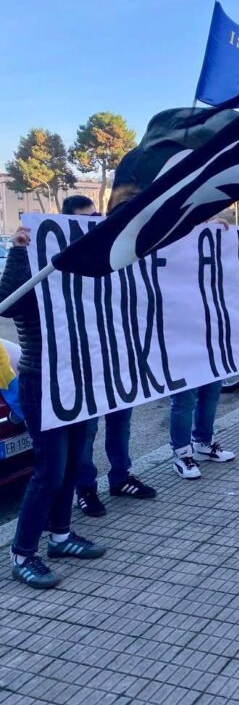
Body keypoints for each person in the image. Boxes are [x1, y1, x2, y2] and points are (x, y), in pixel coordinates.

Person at [1, 225, 105, 589]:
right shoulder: (34, 268)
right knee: (50, 469)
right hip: (41, 382)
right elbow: (7, 303)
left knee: (74, 463)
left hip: (80, 383)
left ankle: (60, 536)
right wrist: (17, 251)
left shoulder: (86, 276)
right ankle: (22, 554)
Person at [60, 197, 157, 516]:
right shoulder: (59, 263)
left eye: (96, 218)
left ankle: (120, 477)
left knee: (121, 422)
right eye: (85, 220)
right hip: (83, 361)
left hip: (119, 356)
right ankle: (85, 489)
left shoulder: (116, 255)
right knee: (86, 430)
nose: (95, 225)